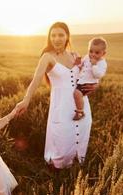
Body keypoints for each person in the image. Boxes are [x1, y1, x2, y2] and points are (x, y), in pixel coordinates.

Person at [14, 22, 98, 168]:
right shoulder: (47, 57)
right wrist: (25, 100)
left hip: (82, 105)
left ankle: (76, 172)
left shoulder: (75, 55)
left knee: (81, 136)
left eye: (60, 35)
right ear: (49, 38)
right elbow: (36, 80)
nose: (57, 38)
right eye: (53, 35)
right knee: (62, 141)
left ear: (67, 37)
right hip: (61, 107)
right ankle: (57, 174)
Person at [73, 37, 107, 120]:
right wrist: (79, 64)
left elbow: (98, 75)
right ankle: (80, 109)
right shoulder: (87, 57)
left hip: (89, 83)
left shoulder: (102, 63)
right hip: (81, 80)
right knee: (77, 94)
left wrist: (94, 65)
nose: (93, 54)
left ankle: (80, 112)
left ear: (103, 53)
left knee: (77, 93)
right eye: (90, 51)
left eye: (97, 52)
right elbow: (82, 65)